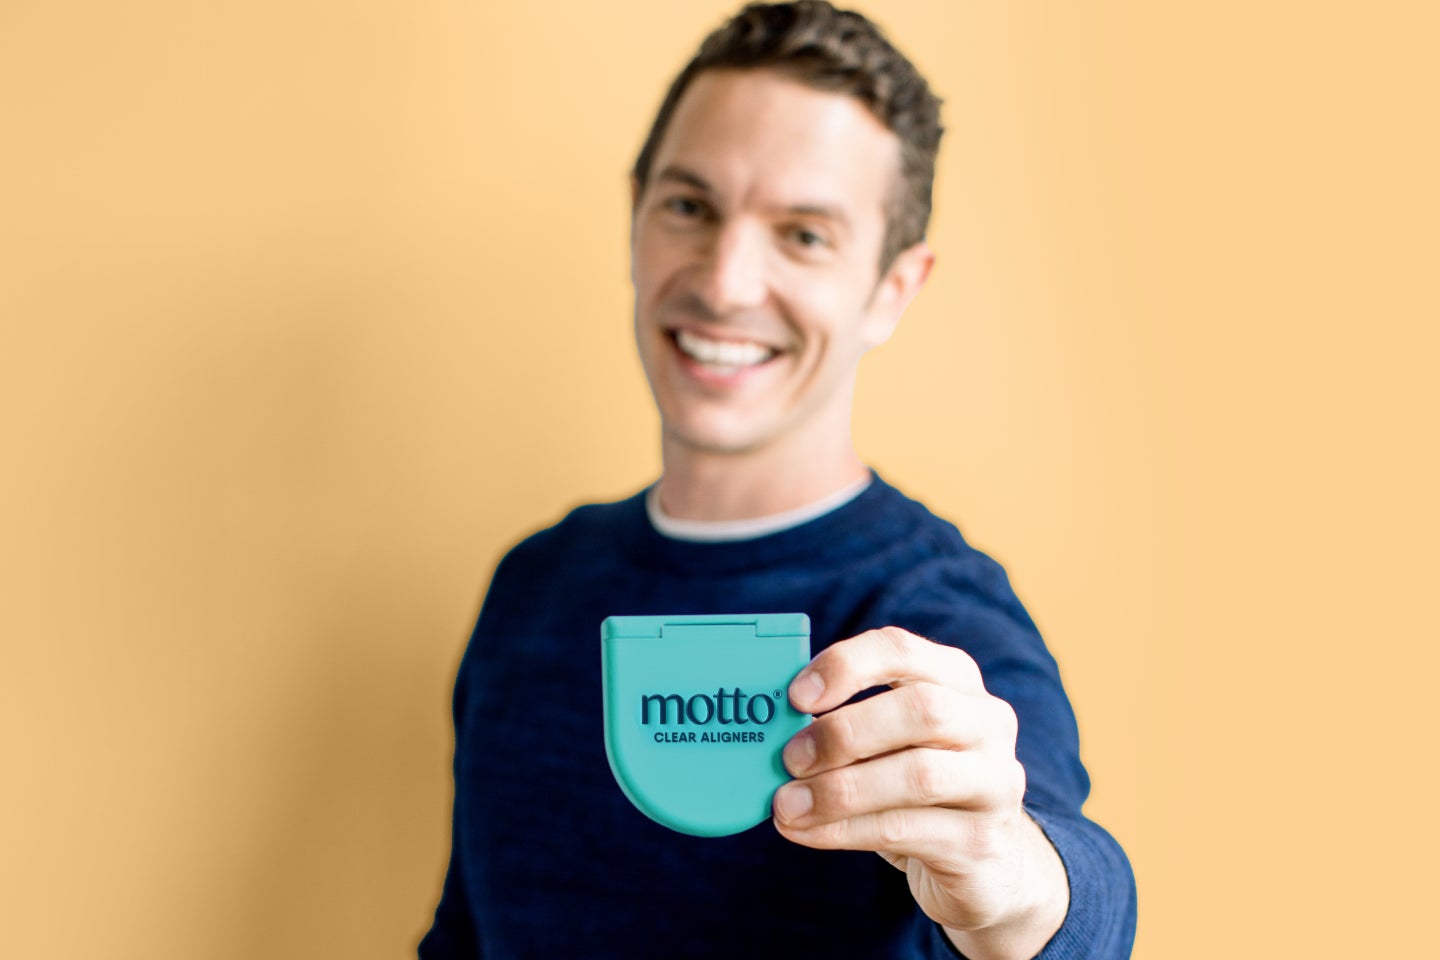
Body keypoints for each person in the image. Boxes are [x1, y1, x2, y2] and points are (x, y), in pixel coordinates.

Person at [418, 2, 1136, 957]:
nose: (723, 282)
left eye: (803, 235)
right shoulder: (534, 586)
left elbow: (1071, 895)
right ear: (635, 216)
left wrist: (1009, 878)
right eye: (689, 207)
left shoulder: (927, 616)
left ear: (893, 289)